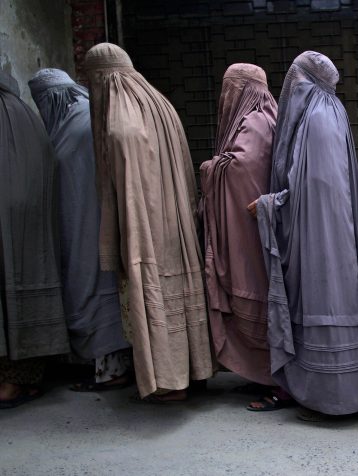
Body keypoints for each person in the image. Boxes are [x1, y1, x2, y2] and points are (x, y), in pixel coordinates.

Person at [255, 51, 358, 419]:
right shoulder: (333, 110)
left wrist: (268, 204)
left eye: (295, 82)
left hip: (318, 234)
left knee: (325, 299)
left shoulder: (316, 118)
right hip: (330, 230)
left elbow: (310, 187)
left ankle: (331, 393)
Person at [84, 43, 213, 402]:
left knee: (152, 298)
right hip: (178, 224)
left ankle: (170, 383)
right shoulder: (159, 102)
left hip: (148, 225)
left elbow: (125, 159)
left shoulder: (120, 117)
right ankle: (193, 371)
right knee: (179, 299)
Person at [28, 68, 132, 392]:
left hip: (86, 228)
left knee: (92, 290)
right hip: (95, 226)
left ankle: (110, 371)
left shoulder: (76, 129)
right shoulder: (85, 116)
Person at [199, 63, 289, 411]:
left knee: (252, 294)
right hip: (262, 227)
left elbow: (240, 166)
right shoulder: (271, 117)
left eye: (229, 88)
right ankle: (263, 375)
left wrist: (210, 167)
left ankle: (271, 378)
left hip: (249, 229)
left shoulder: (251, 123)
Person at [0, 70, 69, 409]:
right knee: (25, 302)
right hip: (32, 233)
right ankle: (16, 382)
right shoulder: (28, 116)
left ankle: (8, 385)